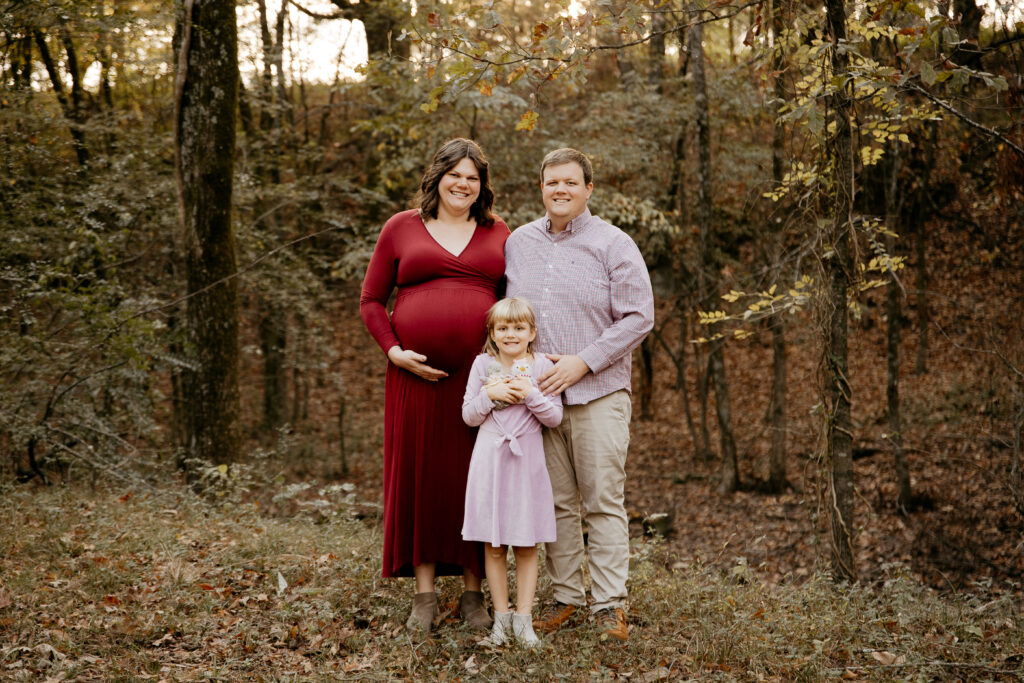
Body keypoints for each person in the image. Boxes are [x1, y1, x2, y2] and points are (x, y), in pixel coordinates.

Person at [359, 138, 509, 635]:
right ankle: (424, 596)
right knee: (420, 478)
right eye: (455, 174)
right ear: (437, 177)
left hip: (480, 381)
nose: (463, 183)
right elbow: (371, 300)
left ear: (482, 186)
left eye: (473, 177)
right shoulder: (401, 228)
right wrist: (394, 350)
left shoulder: (498, 233)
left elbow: (516, 307)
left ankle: (472, 594)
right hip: (414, 378)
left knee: (474, 480)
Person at [504, 148, 654, 642]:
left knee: (602, 501)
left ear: (589, 188)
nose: (560, 190)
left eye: (571, 182)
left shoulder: (614, 243)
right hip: (539, 402)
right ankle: (566, 597)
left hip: (598, 394)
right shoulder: (519, 243)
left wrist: (582, 361)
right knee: (555, 503)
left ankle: (609, 604)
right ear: (541, 188)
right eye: (552, 182)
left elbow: (638, 316)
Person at [461, 297, 563, 647]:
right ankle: (500, 620)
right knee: (493, 545)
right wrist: (493, 394)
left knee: (526, 545)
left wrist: (529, 394)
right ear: (492, 332)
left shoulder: (542, 366)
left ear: (532, 332)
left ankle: (524, 620)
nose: (511, 334)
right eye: (503, 328)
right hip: (490, 461)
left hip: (526, 463)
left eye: (519, 327)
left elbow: (554, 417)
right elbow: (468, 416)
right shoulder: (482, 365)